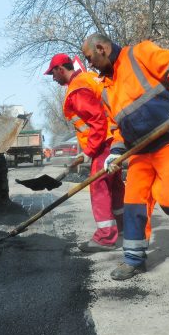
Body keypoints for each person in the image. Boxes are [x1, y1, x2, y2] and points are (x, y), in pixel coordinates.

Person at [81, 33, 169, 280]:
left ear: (102, 48)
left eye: (90, 57)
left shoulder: (139, 54)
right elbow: (117, 128)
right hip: (140, 152)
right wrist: (114, 153)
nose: (89, 64)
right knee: (134, 204)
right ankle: (134, 260)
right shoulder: (106, 90)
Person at [44, 53, 125, 251]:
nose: (53, 78)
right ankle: (124, 229)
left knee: (98, 185)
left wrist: (89, 151)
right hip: (112, 139)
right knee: (114, 186)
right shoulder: (87, 78)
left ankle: (106, 238)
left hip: (104, 143)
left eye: (52, 74)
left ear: (60, 69)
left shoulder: (77, 89)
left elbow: (98, 121)